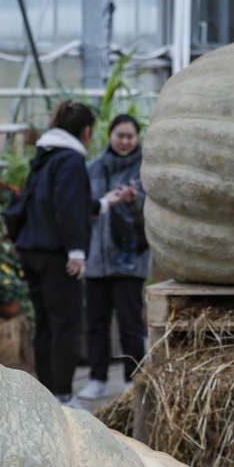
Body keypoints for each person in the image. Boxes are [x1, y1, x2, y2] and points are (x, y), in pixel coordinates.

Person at [14, 102, 122, 409]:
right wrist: (76, 252)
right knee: (66, 325)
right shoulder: (71, 159)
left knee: (46, 324)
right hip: (57, 254)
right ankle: (62, 395)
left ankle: (47, 394)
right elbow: (67, 207)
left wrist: (104, 203)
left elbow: (54, 202)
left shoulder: (45, 155)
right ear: (86, 131)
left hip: (32, 250)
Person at [77, 114, 150, 401]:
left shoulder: (146, 170)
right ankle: (97, 378)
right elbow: (82, 208)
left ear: (137, 138)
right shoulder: (93, 168)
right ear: (110, 136)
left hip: (130, 261)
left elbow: (152, 214)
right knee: (96, 324)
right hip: (96, 259)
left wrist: (134, 202)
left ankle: (134, 379)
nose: (124, 141)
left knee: (130, 324)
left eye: (130, 136)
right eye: (120, 135)